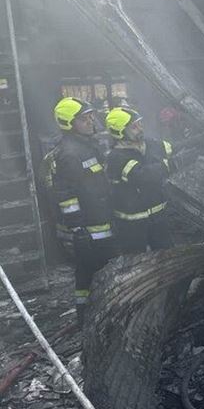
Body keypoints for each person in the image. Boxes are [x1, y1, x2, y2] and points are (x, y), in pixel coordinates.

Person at [44, 97, 113, 325]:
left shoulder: (87, 145)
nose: (91, 121)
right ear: (69, 123)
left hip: (99, 221)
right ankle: (86, 318)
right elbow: (66, 196)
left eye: (91, 116)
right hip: (88, 227)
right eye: (84, 119)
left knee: (97, 269)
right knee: (88, 272)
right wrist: (78, 229)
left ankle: (98, 314)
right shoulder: (69, 154)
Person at [105, 106, 175, 255]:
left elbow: (174, 148)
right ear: (119, 132)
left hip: (158, 218)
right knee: (135, 261)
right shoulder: (116, 157)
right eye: (134, 127)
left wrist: (200, 141)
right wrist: (171, 165)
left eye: (140, 124)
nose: (140, 129)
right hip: (133, 224)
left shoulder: (148, 144)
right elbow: (142, 176)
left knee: (167, 257)